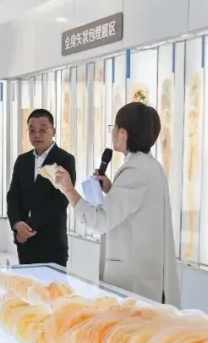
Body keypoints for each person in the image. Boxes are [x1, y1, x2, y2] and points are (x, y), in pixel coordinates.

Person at [53, 102, 181, 305]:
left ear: (123, 132)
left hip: (134, 283)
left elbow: (100, 221)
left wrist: (68, 190)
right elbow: (139, 211)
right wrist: (112, 190)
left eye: (114, 128)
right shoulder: (151, 166)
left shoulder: (135, 170)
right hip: (145, 275)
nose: (112, 133)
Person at [7, 109, 76, 267]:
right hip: (24, 242)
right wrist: (17, 224)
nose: (37, 135)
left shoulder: (65, 159)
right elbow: (13, 196)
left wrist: (28, 229)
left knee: (53, 283)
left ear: (53, 131)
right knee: (25, 282)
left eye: (43, 130)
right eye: (32, 130)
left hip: (51, 242)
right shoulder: (22, 160)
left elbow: (60, 201)